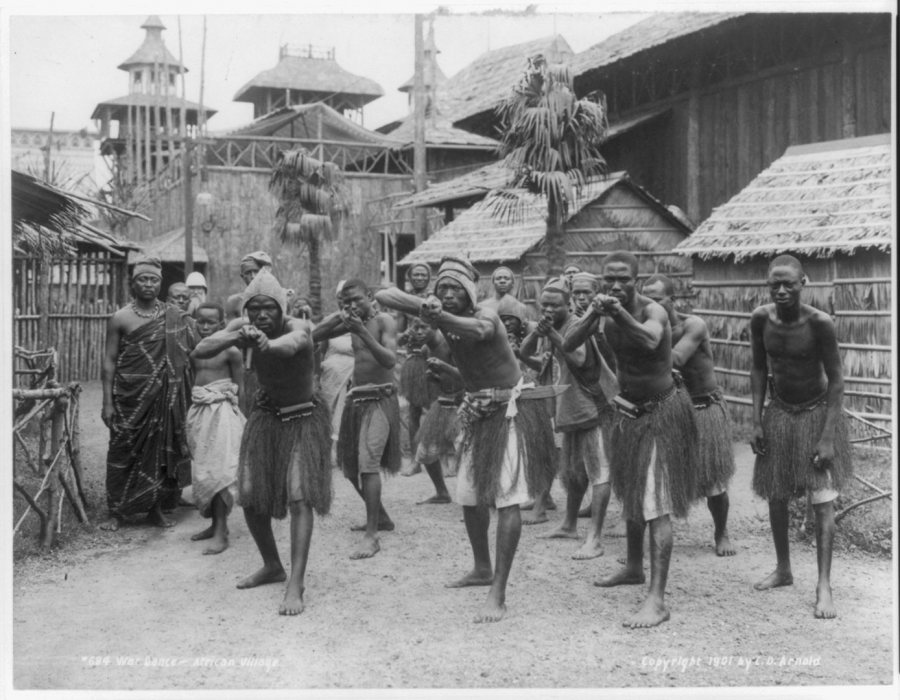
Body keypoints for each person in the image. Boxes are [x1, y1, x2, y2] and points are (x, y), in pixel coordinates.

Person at [376, 257, 557, 623]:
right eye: (441, 288)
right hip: (477, 411)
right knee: (470, 498)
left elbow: (477, 331)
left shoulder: (486, 315)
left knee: (506, 499)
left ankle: (499, 592)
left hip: (509, 413)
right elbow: (384, 292)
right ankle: (481, 568)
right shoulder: (443, 321)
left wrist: (435, 313)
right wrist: (450, 368)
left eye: (455, 288)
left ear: (471, 292)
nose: (446, 293)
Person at [564, 251, 696, 629]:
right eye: (610, 280)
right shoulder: (603, 311)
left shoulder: (652, 312)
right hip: (628, 412)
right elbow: (568, 342)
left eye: (624, 279)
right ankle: (634, 568)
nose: (616, 286)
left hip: (662, 412)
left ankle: (657, 600)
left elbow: (652, 342)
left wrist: (617, 312)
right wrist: (592, 312)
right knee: (633, 494)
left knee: (656, 502)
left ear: (637, 280)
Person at [193, 268, 332, 615]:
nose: (261, 314)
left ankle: (296, 583)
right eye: (253, 308)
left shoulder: (297, 327)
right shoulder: (242, 327)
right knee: (252, 498)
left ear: (281, 308)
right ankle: (272, 565)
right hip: (266, 418)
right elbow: (201, 349)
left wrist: (267, 344)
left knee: (300, 498)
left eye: (268, 307)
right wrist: (236, 337)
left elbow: (294, 345)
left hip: (303, 418)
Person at [749, 255, 851, 619]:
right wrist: (757, 419)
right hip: (779, 412)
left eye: (788, 283)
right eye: (774, 284)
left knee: (823, 501)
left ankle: (824, 585)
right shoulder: (761, 318)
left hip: (816, 412)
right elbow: (759, 368)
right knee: (776, 494)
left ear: (803, 282)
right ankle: (783, 569)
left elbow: (837, 380)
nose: (780, 290)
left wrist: (827, 437)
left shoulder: (820, 323)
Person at [521, 277, 616, 558]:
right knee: (574, 472)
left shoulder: (576, 325)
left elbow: (577, 359)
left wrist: (550, 334)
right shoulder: (555, 326)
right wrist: (539, 332)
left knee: (599, 472)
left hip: (592, 406)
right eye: (544, 306)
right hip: (572, 407)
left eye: (555, 305)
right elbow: (525, 353)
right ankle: (569, 524)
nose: (549, 310)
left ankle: (595, 538)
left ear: (569, 305)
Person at [642, 274, 736, 556]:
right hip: (672, 410)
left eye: (656, 299)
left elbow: (677, 360)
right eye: (646, 299)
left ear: (672, 300)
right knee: (659, 477)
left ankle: (721, 532)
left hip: (704, 408)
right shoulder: (647, 328)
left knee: (713, 481)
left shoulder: (692, 325)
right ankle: (656, 541)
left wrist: (637, 341)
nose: (650, 304)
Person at [100, 257, 196, 531]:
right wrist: (107, 402)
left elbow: (193, 351)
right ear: (133, 283)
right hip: (129, 395)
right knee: (121, 450)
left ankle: (154, 508)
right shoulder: (120, 317)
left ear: (160, 284)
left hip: (164, 396)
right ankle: (116, 512)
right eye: (143, 279)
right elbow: (109, 361)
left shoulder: (173, 315)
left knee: (159, 449)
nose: (149, 284)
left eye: (154, 279)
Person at [313, 278, 399, 559]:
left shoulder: (385, 320)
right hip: (357, 397)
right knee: (349, 467)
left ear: (370, 296)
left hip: (380, 398)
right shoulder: (350, 320)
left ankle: (372, 535)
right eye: (345, 302)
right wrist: (341, 316)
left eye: (356, 300)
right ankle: (382, 517)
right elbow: (315, 334)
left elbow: (389, 360)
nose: (351, 306)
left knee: (367, 464)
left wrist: (362, 330)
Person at [186, 302, 245, 555]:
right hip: (200, 412)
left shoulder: (232, 352)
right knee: (205, 471)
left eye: (212, 322)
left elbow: (241, 388)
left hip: (222, 414)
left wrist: (245, 418)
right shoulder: (195, 353)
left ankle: (222, 530)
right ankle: (214, 525)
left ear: (222, 325)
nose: (206, 326)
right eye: (201, 321)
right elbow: (193, 385)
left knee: (221, 471)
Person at [399, 316, 440, 479]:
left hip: (434, 365)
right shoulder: (407, 314)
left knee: (439, 412)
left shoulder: (434, 309)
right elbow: (400, 340)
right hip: (414, 367)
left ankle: (444, 457)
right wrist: (406, 334)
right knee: (413, 413)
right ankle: (415, 461)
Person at [225, 250, 273, 320]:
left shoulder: (279, 298)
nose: (253, 276)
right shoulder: (234, 302)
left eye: (256, 271)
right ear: (243, 277)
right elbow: (229, 329)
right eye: (248, 273)